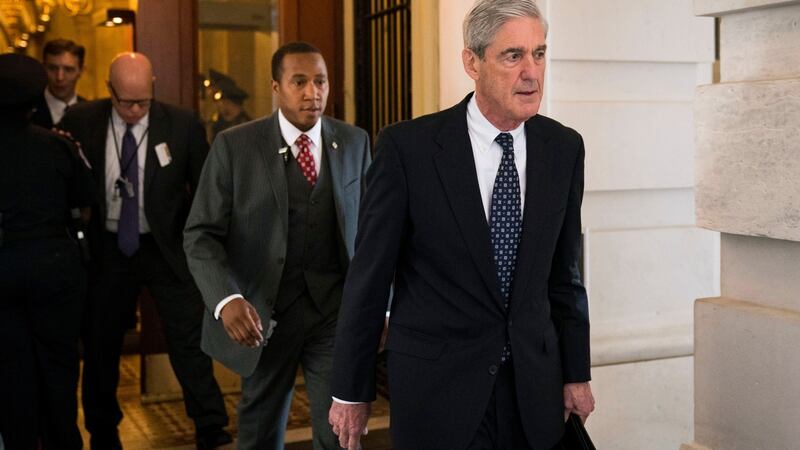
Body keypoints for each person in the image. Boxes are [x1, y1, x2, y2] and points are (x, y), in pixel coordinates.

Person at [328, 1, 596, 449]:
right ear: (471, 62)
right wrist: (350, 392)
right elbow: (369, 279)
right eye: (513, 56)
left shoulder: (563, 148)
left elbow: (565, 278)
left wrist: (575, 372)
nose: (531, 72)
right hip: (438, 394)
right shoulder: (407, 150)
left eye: (540, 54)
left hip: (533, 392)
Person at [184, 41, 371, 450]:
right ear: (275, 86)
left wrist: (384, 302)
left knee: (340, 431)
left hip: (333, 316)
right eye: (299, 82)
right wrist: (226, 298)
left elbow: (375, 233)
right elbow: (199, 234)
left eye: (320, 81)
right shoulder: (235, 146)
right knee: (260, 433)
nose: (312, 93)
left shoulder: (354, 142)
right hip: (263, 315)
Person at [58, 52, 231, 450]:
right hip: (108, 248)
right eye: (125, 102)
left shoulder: (182, 124)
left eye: (143, 102)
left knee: (188, 342)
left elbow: (204, 190)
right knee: (101, 345)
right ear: (109, 91)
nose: (135, 111)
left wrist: (198, 245)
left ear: (153, 90)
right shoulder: (81, 121)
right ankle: (103, 432)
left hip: (165, 247)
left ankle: (211, 428)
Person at [0, 53, 94, 450]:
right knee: (59, 365)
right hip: (55, 267)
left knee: (11, 367)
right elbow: (86, 203)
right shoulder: (58, 147)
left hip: (3, 266)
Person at [31, 39, 86, 128]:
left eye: (68, 70)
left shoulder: (91, 112)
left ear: (81, 71)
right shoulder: (28, 111)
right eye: (52, 68)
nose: (60, 77)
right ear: (43, 68)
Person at [208, 69, 252, 141]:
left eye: (220, 101)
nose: (218, 105)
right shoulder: (218, 125)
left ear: (229, 102)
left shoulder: (245, 126)